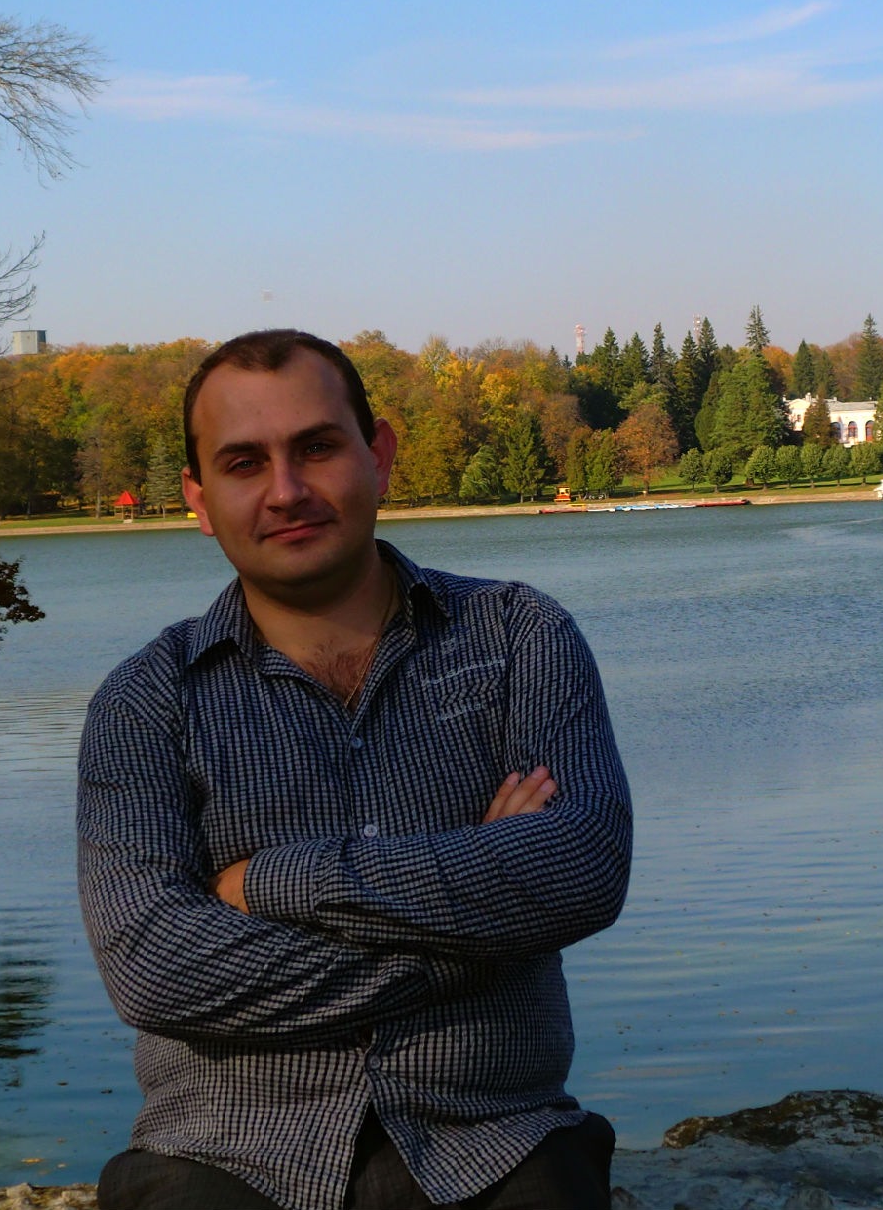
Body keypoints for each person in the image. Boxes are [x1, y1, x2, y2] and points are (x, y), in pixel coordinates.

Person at [77, 329, 633, 1210]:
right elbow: (156, 966)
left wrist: (274, 882)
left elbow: (582, 868)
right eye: (244, 463)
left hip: (497, 1138)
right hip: (222, 1155)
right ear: (200, 499)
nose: (286, 491)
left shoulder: (518, 636)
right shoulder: (145, 702)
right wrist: (475, 928)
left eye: (316, 448)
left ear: (378, 455)